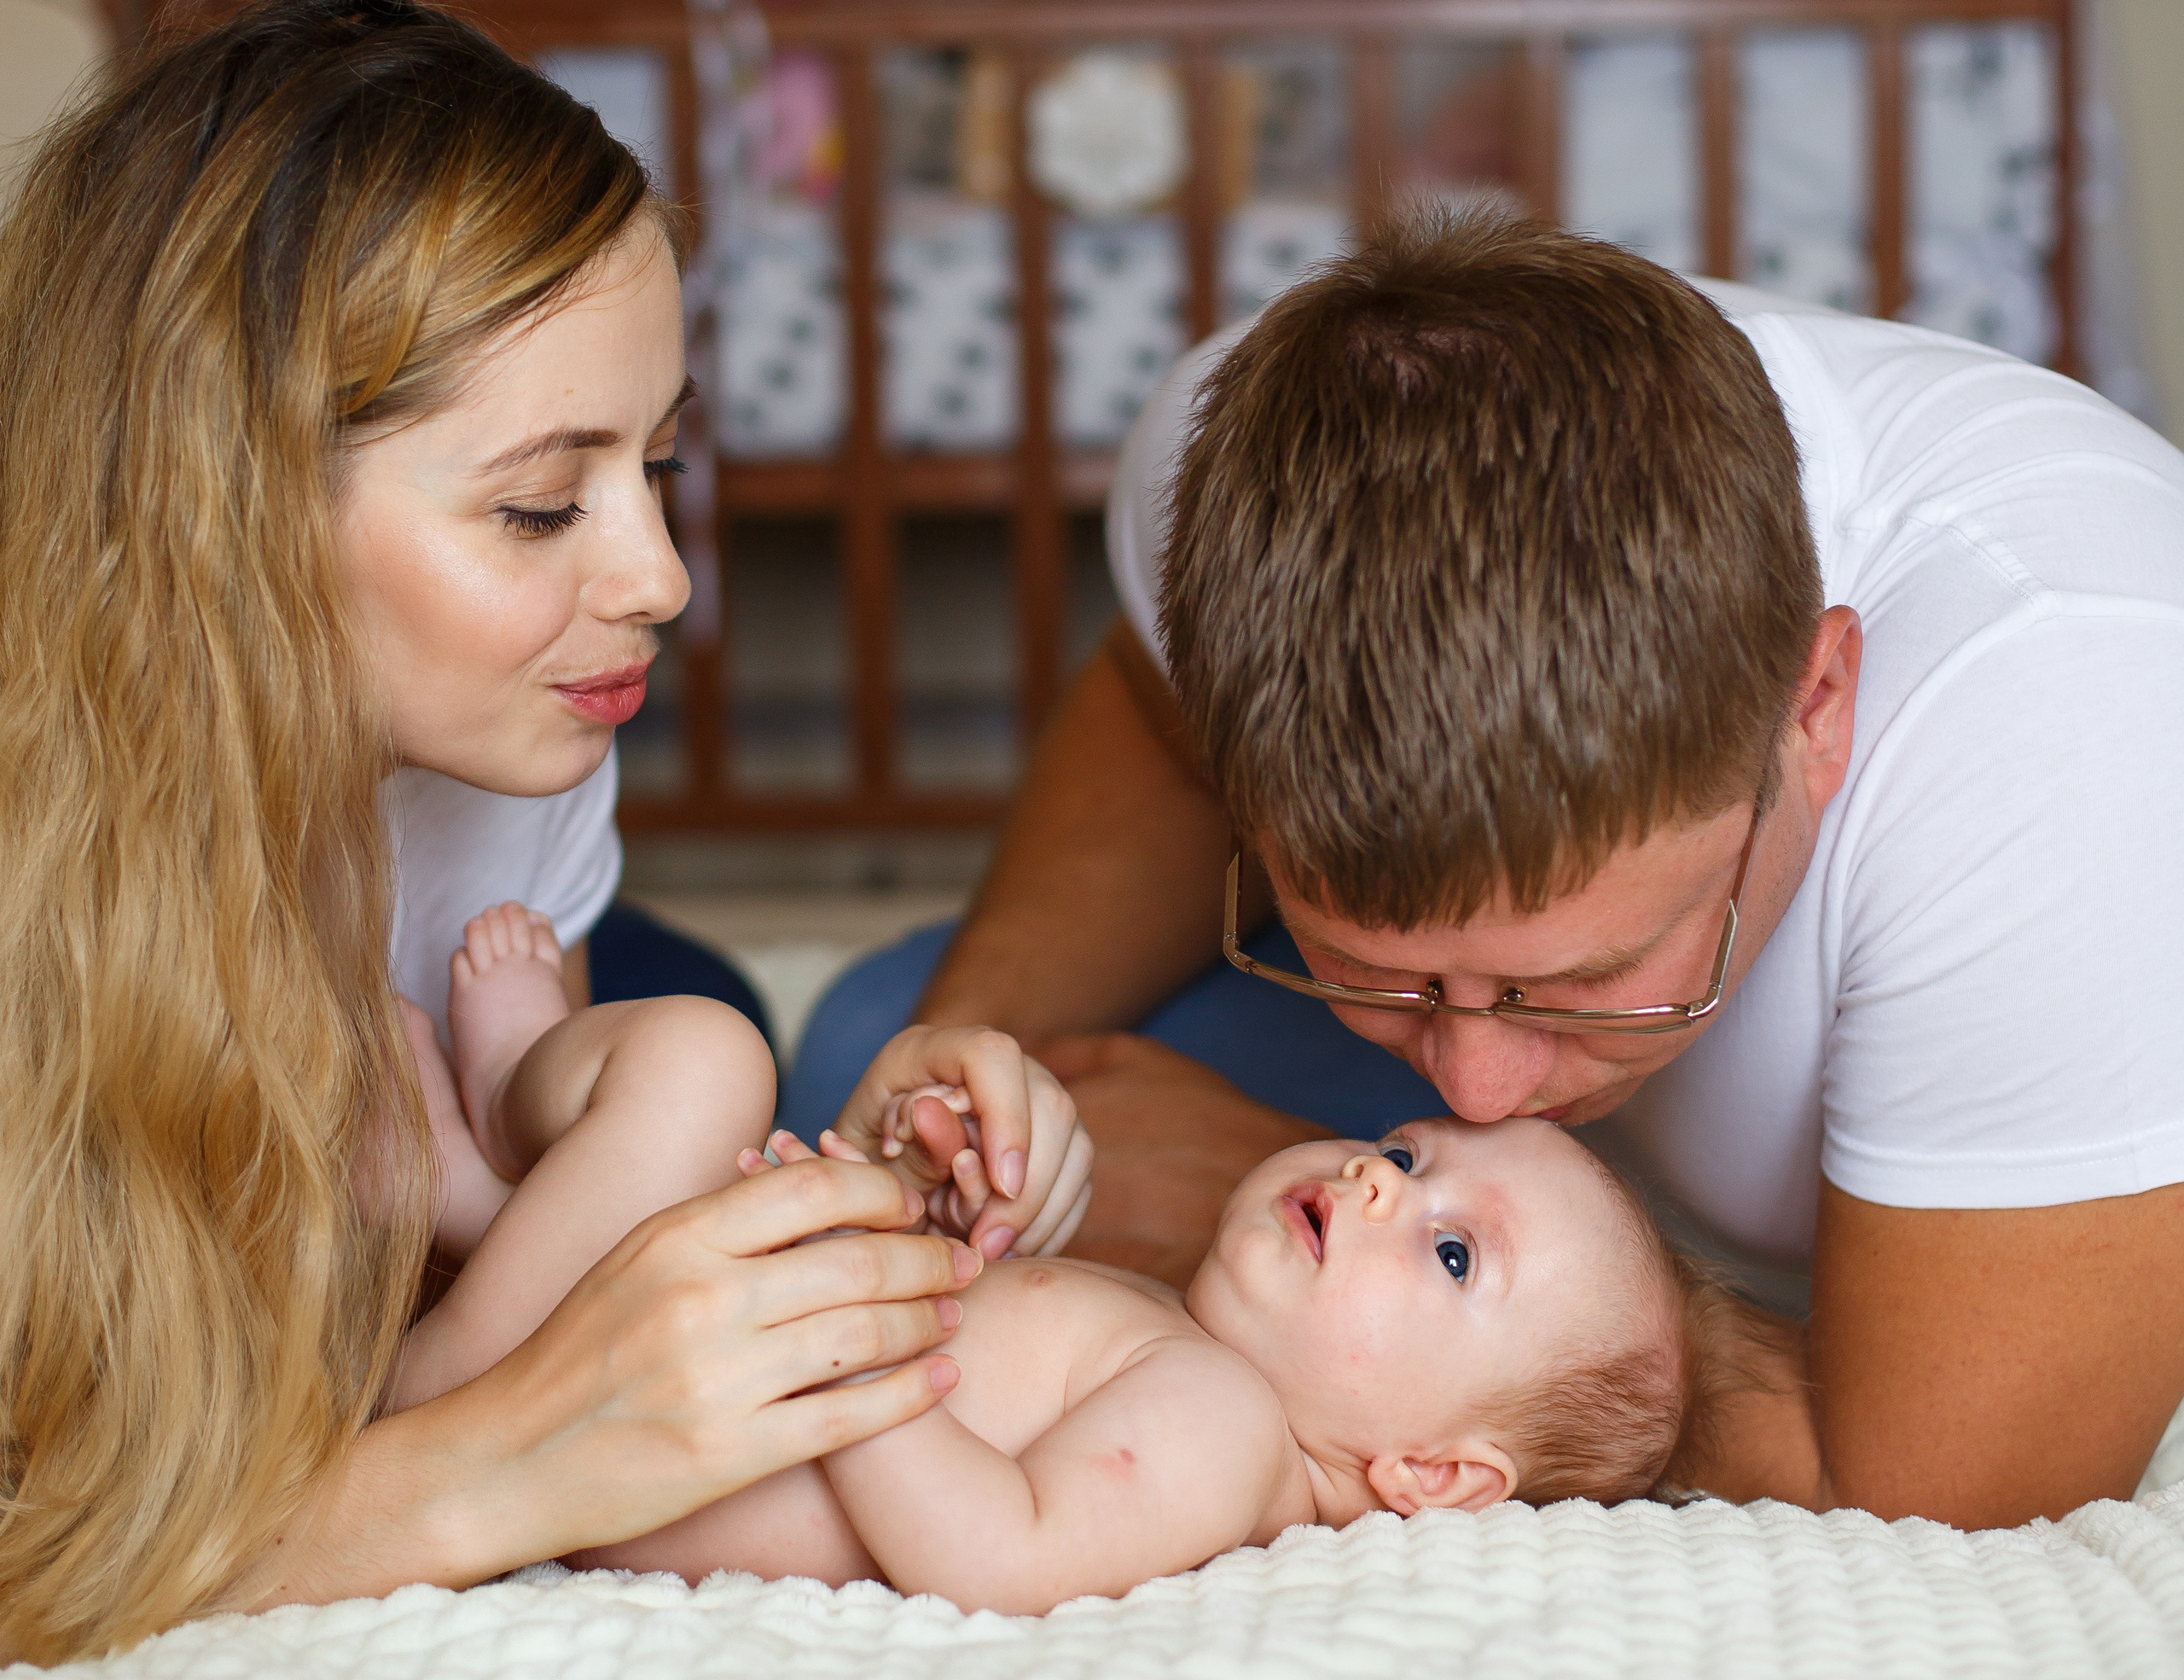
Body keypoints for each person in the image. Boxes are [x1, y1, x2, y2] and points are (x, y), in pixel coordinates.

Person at [787, 208, 2184, 1532]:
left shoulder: (2073, 743)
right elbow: (1159, 730)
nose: (1471, 1086)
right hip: (1476, 1205)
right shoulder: (1235, 468)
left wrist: (1266, 1192)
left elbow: (1956, 1484)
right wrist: (962, 1084)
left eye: (1581, 983)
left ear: (1816, 712)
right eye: (1376, 975)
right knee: (863, 1040)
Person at [0, 3, 1083, 1661]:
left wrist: (859, 1194)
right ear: (219, 506)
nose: (659, 580)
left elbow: (510, 1221)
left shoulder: (521, 749)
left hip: (490, 1006)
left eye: (656, 466)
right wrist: (486, 1469)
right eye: (536, 504)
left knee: (687, 1016)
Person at [390, 911, 1727, 1613]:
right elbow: (997, 1383)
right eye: (1408, 1147)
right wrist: (919, 1216)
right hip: (649, 1352)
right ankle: (498, 1179)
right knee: (697, 1069)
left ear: (1432, 1474)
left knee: (696, 1058)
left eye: (1449, 1251)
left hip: (621, 1416)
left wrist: (863, 1313)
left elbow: (998, 1553)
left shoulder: (1222, 1427)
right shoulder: (1194, 1352)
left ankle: (476, 1236)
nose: (1381, 1176)